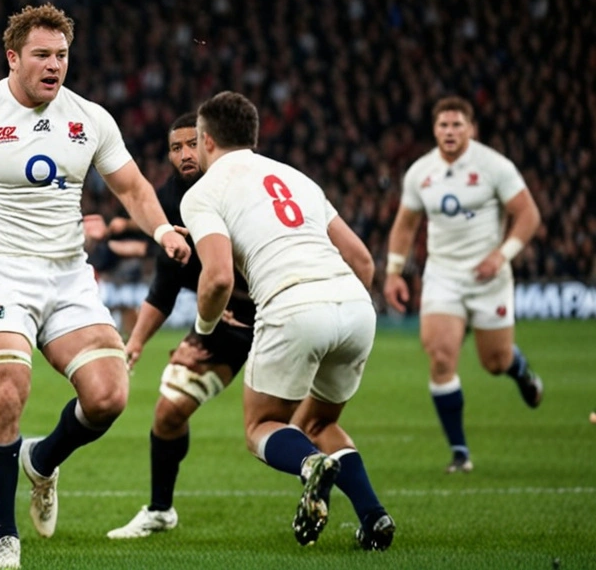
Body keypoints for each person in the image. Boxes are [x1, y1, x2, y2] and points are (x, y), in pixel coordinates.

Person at [0, 4, 192, 569]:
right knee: (9, 391)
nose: (54, 65)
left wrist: (162, 229)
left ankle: (41, 462)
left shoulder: (89, 118)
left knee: (109, 396)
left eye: (62, 55)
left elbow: (134, 187)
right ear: (12, 57)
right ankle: (4, 536)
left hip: (68, 273)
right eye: (42, 54)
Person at [180, 91, 394, 550]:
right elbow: (362, 259)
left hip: (292, 304)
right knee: (318, 422)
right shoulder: (297, 178)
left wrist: (202, 335)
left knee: (264, 427)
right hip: (354, 304)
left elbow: (216, 278)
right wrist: (344, 310)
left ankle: (310, 466)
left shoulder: (203, 193)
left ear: (206, 141)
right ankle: (374, 517)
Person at [84, 112, 257, 540]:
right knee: (169, 410)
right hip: (223, 323)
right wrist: (135, 343)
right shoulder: (169, 202)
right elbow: (165, 285)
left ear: (210, 143)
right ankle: (161, 509)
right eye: (175, 147)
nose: (184, 154)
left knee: (298, 424)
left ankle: (363, 508)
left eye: (191, 144)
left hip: (277, 315)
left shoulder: (244, 185)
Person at [383, 96, 543, 474]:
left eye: (457, 125)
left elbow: (528, 215)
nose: (450, 132)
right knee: (440, 357)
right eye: (443, 126)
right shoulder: (420, 172)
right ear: (434, 130)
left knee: (495, 361)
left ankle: (519, 369)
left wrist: (501, 255)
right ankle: (460, 452)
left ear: (471, 128)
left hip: (490, 277)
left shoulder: (494, 166)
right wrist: (393, 272)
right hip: (442, 276)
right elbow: (405, 224)